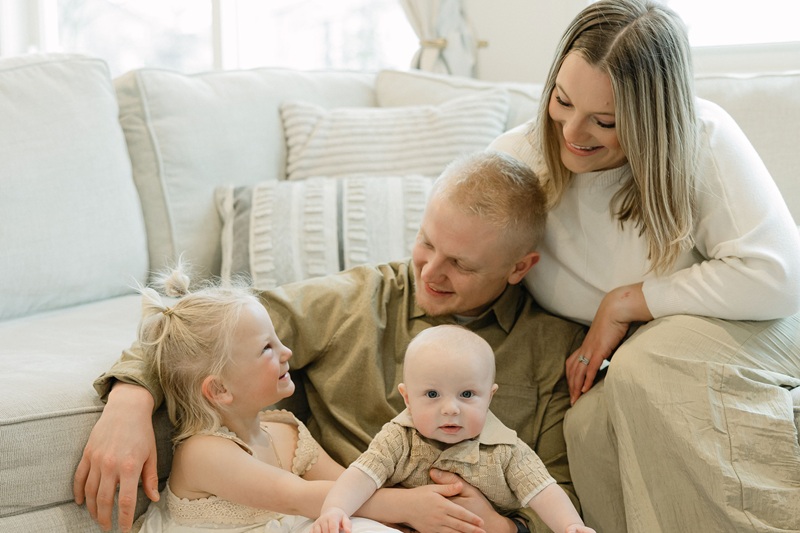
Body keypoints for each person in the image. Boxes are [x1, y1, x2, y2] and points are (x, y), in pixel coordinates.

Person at [74, 150, 588, 533]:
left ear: (520, 267)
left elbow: (560, 495)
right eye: (426, 243)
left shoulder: (552, 348)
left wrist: (502, 528)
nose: (431, 271)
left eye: (461, 264)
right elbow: (203, 330)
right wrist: (130, 399)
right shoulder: (355, 300)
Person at [490, 1, 800, 531]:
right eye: (562, 101)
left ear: (653, 120)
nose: (572, 131)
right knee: (586, 425)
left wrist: (629, 300)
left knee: (644, 362)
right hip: (637, 365)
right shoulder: (520, 159)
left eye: (604, 121)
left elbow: (779, 277)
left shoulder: (703, 137)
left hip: (759, 329)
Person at [129, 267, 465, 532]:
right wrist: (408, 506)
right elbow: (297, 497)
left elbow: (351, 485)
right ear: (220, 390)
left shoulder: (287, 430)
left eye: (278, 339)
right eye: (267, 348)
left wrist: (409, 518)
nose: (287, 352)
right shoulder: (202, 452)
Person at [313, 325, 594, 533]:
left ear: (490, 397)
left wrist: (570, 525)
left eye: (467, 395)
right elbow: (363, 475)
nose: (450, 409)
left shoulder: (507, 449)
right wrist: (335, 508)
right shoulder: (399, 438)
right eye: (433, 395)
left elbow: (543, 490)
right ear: (407, 398)